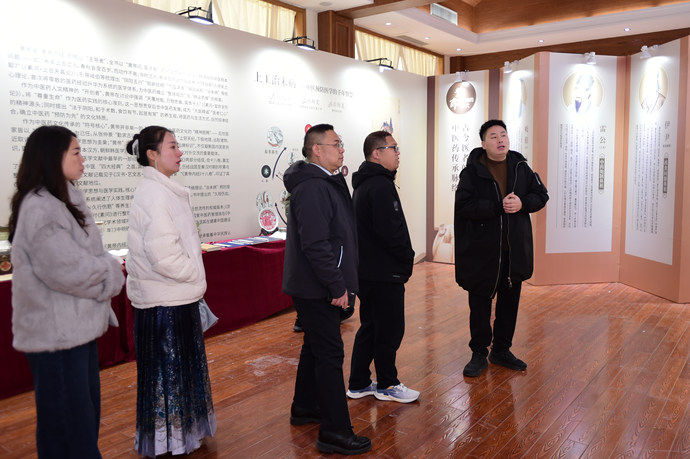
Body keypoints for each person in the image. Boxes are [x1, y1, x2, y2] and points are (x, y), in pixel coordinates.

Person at [9, 125, 125, 458]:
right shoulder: (40, 207)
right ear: (52, 156)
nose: (82, 159)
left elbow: (84, 259)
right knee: (68, 427)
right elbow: (67, 269)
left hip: (74, 329)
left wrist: (103, 266)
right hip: (56, 335)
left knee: (80, 419)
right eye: (76, 152)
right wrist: (110, 271)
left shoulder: (64, 199)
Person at [125, 126, 216, 456]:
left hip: (174, 297)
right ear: (152, 154)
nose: (180, 152)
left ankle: (182, 436)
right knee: (170, 377)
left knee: (177, 375)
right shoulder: (154, 194)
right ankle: (172, 441)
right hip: (165, 302)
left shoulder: (165, 190)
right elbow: (163, 256)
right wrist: (194, 274)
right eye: (172, 146)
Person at [282, 124, 371, 455]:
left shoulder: (324, 182)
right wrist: (337, 285)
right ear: (316, 149)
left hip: (316, 284)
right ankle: (334, 432)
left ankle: (305, 407)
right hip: (317, 287)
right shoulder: (313, 187)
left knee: (316, 347)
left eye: (341, 143)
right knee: (330, 355)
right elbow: (316, 244)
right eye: (336, 144)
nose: (342, 148)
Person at [454, 119, 548, 378]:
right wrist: (497, 206)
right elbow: (463, 206)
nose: (500, 140)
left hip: (513, 251)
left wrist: (522, 203)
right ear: (483, 144)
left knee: (509, 304)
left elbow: (541, 195)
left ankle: (501, 350)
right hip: (482, 252)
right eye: (493, 136)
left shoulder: (520, 166)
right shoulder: (472, 172)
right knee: (480, 305)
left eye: (503, 135)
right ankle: (478, 353)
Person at [346, 131, 419, 404]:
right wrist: (407, 258)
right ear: (376, 153)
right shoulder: (380, 185)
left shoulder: (365, 183)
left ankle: (359, 382)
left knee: (371, 326)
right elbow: (391, 232)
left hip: (369, 271)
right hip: (384, 272)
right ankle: (387, 383)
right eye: (393, 148)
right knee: (389, 329)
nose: (398, 153)